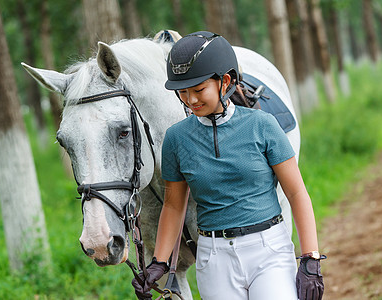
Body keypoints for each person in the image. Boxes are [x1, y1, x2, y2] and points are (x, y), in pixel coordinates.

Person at [132, 31, 325, 300]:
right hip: (214, 258)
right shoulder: (176, 139)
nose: (191, 100)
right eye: (183, 92)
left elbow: (296, 193)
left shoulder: (262, 126)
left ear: (224, 82)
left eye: (199, 90)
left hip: (268, 250)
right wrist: (159, 263)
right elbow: (174, 205)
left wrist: (310, 259)